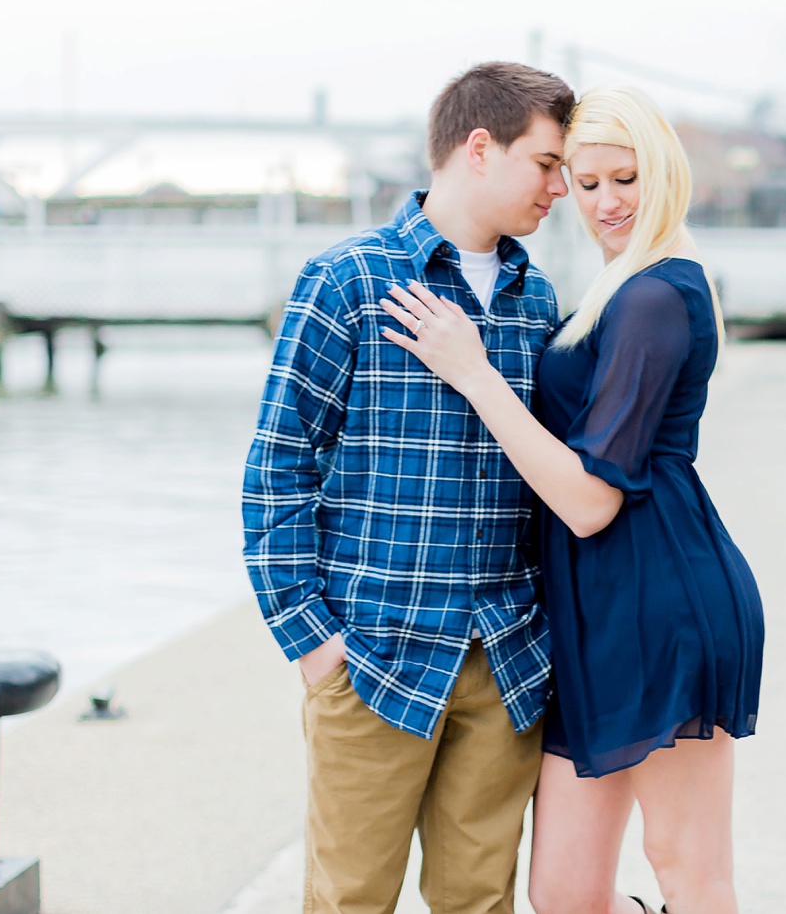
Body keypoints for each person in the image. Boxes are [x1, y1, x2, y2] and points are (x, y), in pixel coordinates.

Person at [381, 85, 764, 914]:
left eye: (624, 178)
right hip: (591, 614)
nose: (605, 202)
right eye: (584, 184)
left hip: (661, 602)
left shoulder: (658, 293)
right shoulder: (613, 290)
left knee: (689, 873)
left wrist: (474, 372)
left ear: (662, 173)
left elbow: (591, 501)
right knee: (563, 893)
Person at [242, 61, 574, 914]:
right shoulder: (349, 281)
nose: (562, 188)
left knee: (479, 901)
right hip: (373, 655)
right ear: (478, 148)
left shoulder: (538, 302)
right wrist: (314, 642)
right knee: (350, 899)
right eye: (545, 162)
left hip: (503, 660)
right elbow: (277, 469)